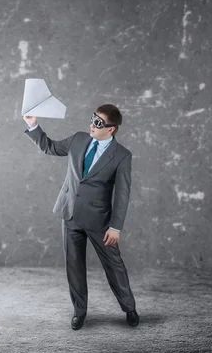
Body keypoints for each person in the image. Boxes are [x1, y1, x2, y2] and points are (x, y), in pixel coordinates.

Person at [23, 104, 139, 330]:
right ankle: (79, 312)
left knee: (114, 266)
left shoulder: (122, 156)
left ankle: (129, 308)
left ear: (111, 129)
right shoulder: (78, 139)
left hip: (100, 220)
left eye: (98, 123)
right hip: (70, 213)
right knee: (74, 266)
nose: (92, 125)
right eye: (93, 119)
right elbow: (50, 147)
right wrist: (32, 125)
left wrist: (115, 227)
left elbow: (122, 194)